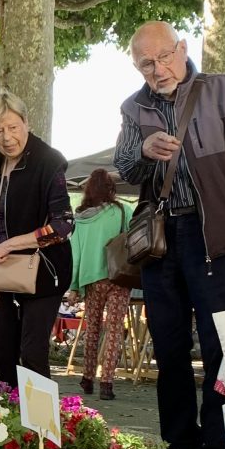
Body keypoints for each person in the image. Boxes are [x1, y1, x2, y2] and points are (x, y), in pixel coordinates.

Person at [114, 21, 225, 449]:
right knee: (169, 346)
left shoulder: (223, 90)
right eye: (146, 63)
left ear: (182, 49)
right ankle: (181, 448)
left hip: (216, 239)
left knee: (222, 346)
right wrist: (144, 148)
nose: (157, 69)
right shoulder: (134, 106)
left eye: (164, 57)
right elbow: (124, 167)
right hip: (162, 239)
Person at [0, 91, 73, 384]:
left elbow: (63, 225)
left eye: (13, 127)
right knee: (3, 353)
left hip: (45, 273)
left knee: (32, 353)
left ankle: (41, 428)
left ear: (26, 123)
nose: (7, 137)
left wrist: (10, 245)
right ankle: (8, 422)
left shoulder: (49, 161)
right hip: (3, 273)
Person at [71, 168, 131, 400]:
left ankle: (87, 378)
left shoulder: (80, 218)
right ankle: (107, 383)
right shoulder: (124, 210)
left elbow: (75, 256)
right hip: (119, 276)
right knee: (115, 329)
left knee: (93, 327)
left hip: (91, 279)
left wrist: (74, 286)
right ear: (111, 188)